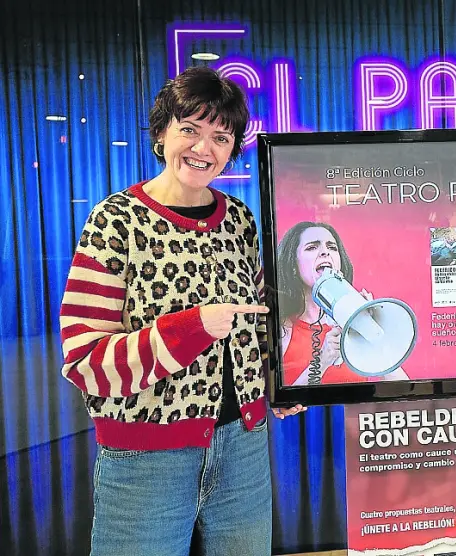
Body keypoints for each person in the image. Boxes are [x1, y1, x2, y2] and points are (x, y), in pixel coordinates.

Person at [58, 66, 305, 556]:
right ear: (161, 133)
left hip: (243, 449)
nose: (203, 148)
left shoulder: (238, 219)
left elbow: (256, 321)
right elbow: (85, 360)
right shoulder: (116, 221)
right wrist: (192, 328)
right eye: (189, 129)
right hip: (147, 458)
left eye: (221, 137)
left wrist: (276, 381)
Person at [275, 221, 408, 385]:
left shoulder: (354, 324)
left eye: (332, 247)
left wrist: (370, 328)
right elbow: (281, 401)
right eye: (312, 247)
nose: (325, 252)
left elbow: (404, 389)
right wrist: (323, 359)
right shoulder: (282, 330)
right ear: (293, 265)